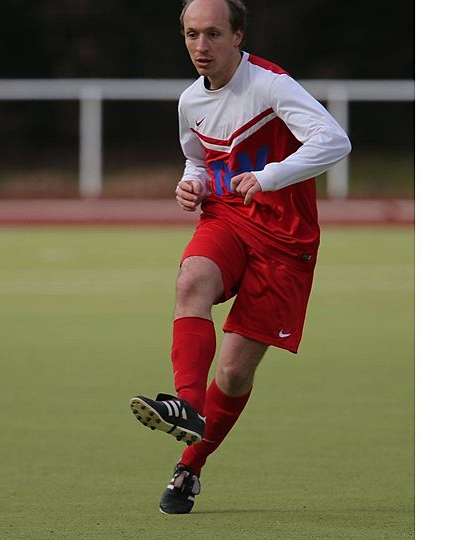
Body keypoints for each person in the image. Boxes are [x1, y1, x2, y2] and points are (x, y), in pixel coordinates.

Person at [128, 0, 352, 515]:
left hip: (285, 241)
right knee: (191, 282)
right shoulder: (190, 101)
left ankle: (189, 467)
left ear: (237, 36)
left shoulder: (271, 85)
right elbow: (197, 159)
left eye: (211, 34)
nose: (200, 47)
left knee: (231, 375)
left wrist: (270, 177)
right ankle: (184, 403)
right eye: (190, 35)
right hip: (226, 217)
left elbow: (334, 141)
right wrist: (190, 184)